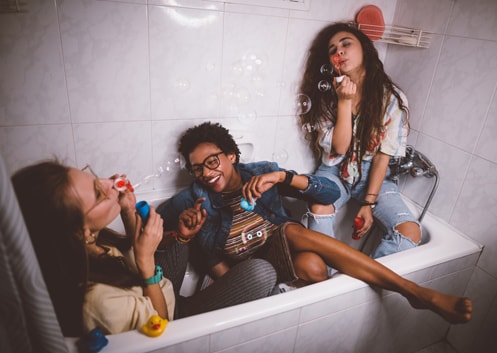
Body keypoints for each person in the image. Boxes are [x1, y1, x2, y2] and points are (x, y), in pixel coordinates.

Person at [158, 121, 472, 324]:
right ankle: (407, 292)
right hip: (242, 272)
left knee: (300, 246)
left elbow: (330, 192)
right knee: (309, 262)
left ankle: (408, 293)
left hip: (279, 251)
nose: (206, 172)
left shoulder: (262, 172)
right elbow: (154, 229)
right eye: (197, 168)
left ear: (231, 155)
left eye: (212, 161)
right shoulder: (191, 199)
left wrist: (283, 177)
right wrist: (180, 231)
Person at [12, 160, 276, 336]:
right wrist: (147, 260)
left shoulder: (90, 243)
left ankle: (193, 281)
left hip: (162, 291)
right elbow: (165, 331)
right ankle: (200, 303)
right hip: (170, 317)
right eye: (99, 192)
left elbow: (130, 252)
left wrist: (128, 211)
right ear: (81, 231)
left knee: (177, 230)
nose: (109, 182)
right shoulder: (97, 301)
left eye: (95, 177)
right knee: (263, 272)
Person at [298, 22, 421, 258]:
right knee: (318, 207)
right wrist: (344, 101)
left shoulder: (393, 98)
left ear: (365, 48)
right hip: (335, 171)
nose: (339, 52)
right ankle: (329, 278)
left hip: (373, 176)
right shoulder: (325, 97)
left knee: (410, 232)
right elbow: (340, 147)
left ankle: (357, 283)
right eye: (333, 50)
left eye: (346, 44)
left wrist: (369, 203)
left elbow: (383, 156)